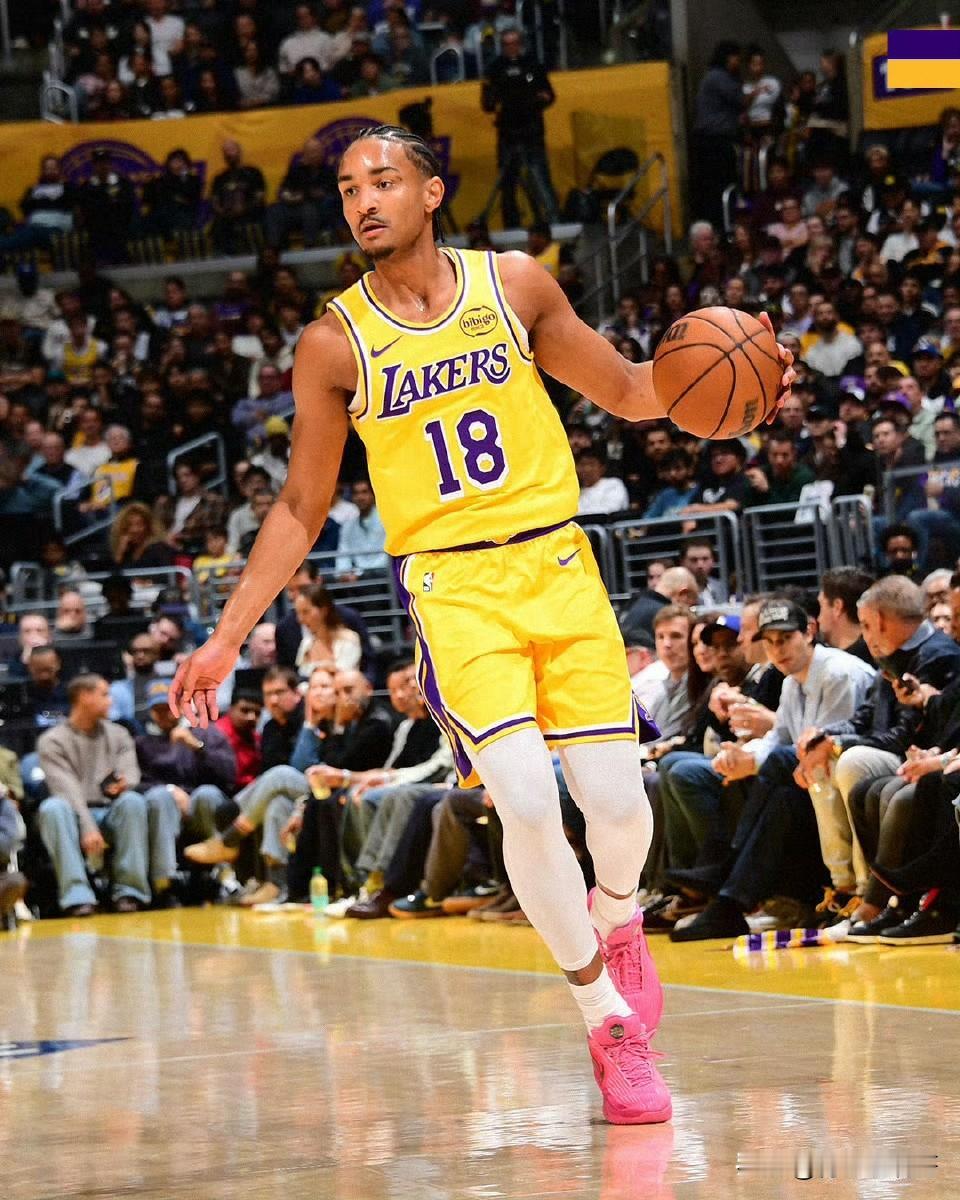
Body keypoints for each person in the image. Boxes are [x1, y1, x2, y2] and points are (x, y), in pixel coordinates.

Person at [170, 124, 794, 1126]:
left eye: (383, 180)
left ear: (430, 191)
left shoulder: (513, 285)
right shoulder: (333, 343)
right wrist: (228, 633)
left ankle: (618, 919)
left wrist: (743, 380)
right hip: (453, 590)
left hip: (557, 565)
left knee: (618, 809)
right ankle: (608, 1025)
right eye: (347, 188)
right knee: (529, 805)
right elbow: (299, 506)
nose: (363, 200)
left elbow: (634, 390)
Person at [36, 674, 149, 916]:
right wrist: (87, 826)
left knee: (133, 801)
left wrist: (124, 784)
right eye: (104, 695)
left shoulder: (119, 734)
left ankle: (129, 892)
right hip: (74, 816)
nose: (111, 701)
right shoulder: (52, 741)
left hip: (111, 811)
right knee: (52, 808)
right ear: (84, 697)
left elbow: (131, 772)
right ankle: (77, 897)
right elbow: (66, 790)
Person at [480, 28, 559, 229]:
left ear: (521, 43)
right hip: (508, 133)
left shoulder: (533, 65)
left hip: (531, 131)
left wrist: (530, 101)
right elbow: (487, 103)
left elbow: (549, 95)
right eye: (506, 44)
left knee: (540, 179)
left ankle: (553, 224)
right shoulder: (495, 68)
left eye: (514, 43)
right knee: (508, 183)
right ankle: (512, 227)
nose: (511, 48)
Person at [335, 478, 387, 578]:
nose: (360, 497)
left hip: (384, 575)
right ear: (352, 497)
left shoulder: (386, 521)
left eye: (364, 492)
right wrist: (344, 574)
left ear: (373, 495)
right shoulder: (348, 526)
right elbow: (343, 555)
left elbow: (386, 557)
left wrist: (361, 574)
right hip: (358, 578)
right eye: (356, 493)